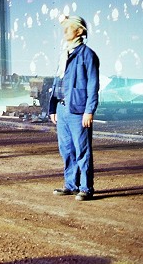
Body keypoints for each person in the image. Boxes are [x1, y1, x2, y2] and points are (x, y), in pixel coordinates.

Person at [49, 15, 100, 202]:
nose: (65, 31)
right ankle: (71, 185)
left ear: (79, 31)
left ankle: (86, 187)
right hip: (63, 109)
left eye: (69, 28)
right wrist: (53, 107)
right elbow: (58, 82)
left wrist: (89, 110)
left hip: (78, 111)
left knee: (82, 150)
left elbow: (93, 85)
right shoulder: (64, 54)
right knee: (67, 149)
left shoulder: (87, 55)